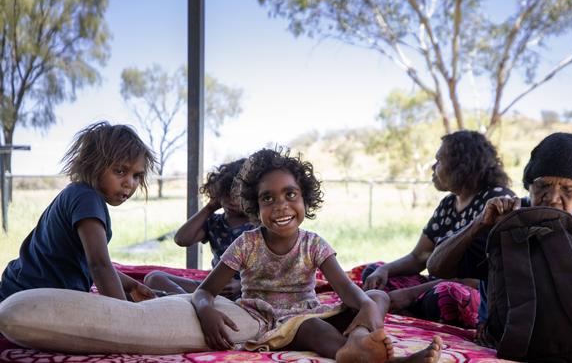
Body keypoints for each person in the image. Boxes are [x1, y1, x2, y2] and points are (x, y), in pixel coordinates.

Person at [192, 148, 443, 363]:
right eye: (268, 198)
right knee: (312, 327)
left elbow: (346, 289)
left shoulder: (313, 243)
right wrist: (205, 311)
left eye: (290, 194)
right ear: (255, 207)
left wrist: (365, 305)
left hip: (313, 311)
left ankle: (359, 341)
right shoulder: (246, 244)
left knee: (376, 296)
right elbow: (204, 292)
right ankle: (370, 356)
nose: (281, 205)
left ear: (306, 200)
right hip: (274, 322)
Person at [427, 132, 572, 357]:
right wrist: (478, 224)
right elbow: (436, 267)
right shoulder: (506, 220)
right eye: (543, 186)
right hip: (514, 344)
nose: (552, 197)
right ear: (528, 186)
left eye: (567, 190)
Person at [362, 130, 513, 328]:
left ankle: (411, 307)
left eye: (439, 161)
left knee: (445, 296)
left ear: (461, 165)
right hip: (432, 284)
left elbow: (477, 279)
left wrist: (410, 294)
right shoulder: (449, 204)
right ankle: (411, 307)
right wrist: (384, 270)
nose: (433, 168)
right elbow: (419, 257)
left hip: (467, 290)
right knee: (373, 274)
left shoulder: (496, 202)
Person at [0, 121, 157, 303]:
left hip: (30, 291)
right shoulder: (86, 198)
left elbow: (88, 262)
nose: (130, 183)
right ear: (93, 166)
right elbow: (99, 265)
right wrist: (125, 316)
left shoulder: (83, 194)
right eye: (120, 171)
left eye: (137, 175)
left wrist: (131, 285)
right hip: (29, 296)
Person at [144, 159, 255, 297]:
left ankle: (189, 302)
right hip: (214, 288)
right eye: (225, 194)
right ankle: (190, 302)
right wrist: (209, 208)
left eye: (237, 196)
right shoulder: (215, 223)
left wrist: (241, 285)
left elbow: (271, 270)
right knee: (154, 278)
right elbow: (182, 239)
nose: (230, 201)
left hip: (247, 290)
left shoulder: (258, 226)